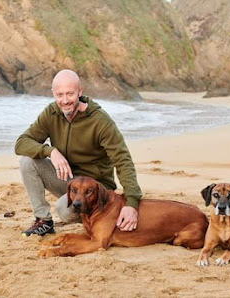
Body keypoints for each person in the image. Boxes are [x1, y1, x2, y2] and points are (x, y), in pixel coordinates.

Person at [14, 69, 142, 236]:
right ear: (53, 94)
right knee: (27, 162)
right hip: (69, 181)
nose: (65, 100)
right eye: (60, 95)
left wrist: (131, 203)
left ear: (80, 92)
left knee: (64, 210)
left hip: (95, 188)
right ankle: (43, 221)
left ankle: (96, 213)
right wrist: (50, 151)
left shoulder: (100, 121)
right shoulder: (51, 113)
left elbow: (123, 160)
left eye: (70, 94)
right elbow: (21, 143)